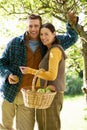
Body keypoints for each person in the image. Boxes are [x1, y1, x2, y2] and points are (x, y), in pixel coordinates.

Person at [0, 13, 78, 130]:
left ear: (40, 26)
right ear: (27, 26)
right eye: (30, 26)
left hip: (29, 96)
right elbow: (1, 63)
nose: (33, 29)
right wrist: (8, 75)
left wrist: (71, 23)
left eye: (36, 26)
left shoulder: (47, 41)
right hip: (9, 93)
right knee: (4, 127)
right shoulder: (14, 42)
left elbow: (72, 38)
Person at [20, 22, 67, 130]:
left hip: (53, 96)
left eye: (46, 34)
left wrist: (30, 71)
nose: (43, 37)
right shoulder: (49, 50)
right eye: (41, 34)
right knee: (42, 126)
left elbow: (51, 76)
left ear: (54, 34)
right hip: (45, 95)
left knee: (51, 126)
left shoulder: (55, 51)